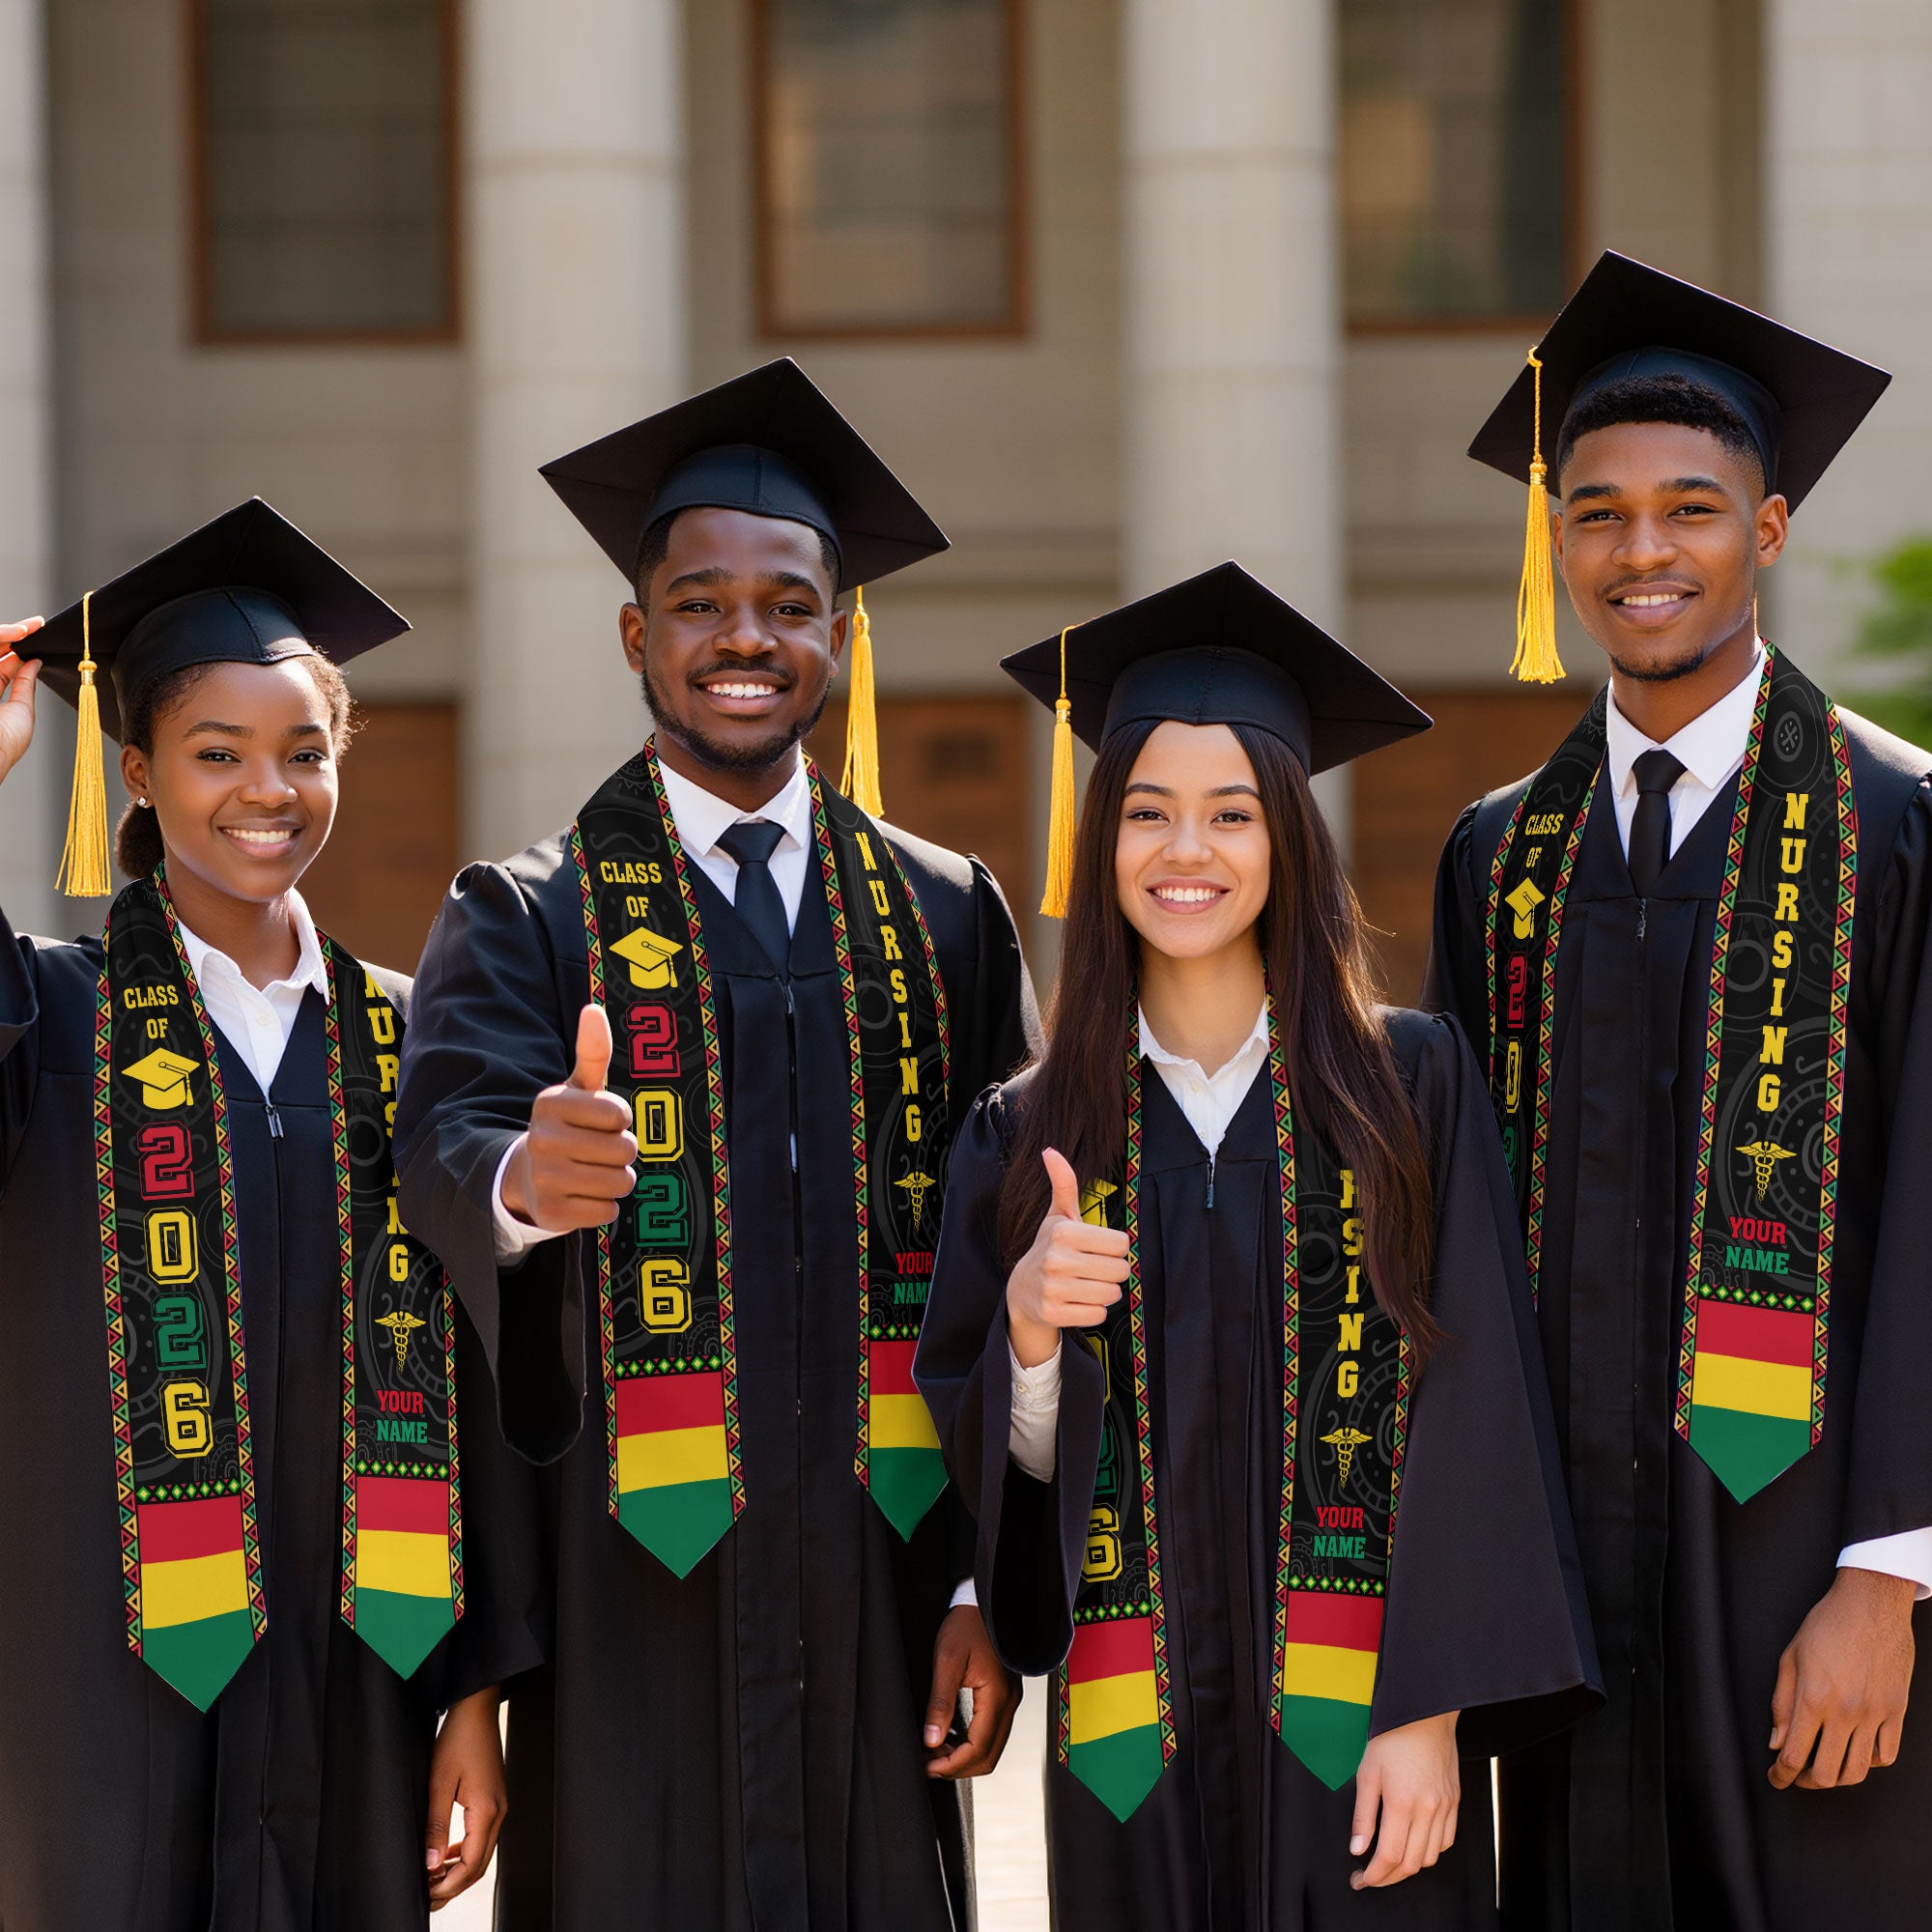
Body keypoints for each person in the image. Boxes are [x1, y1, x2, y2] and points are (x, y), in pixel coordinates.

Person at [393, 358, 1039, 1929]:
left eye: (788, 603)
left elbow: (1012, 1254)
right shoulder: (529, 914)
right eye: (698, 603)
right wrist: (523, 1184)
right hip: (630, 1601)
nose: (744, 638)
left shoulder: (945, 914)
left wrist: (980, 1588)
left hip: (885, 1595)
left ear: (841, 633)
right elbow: (440, 1155)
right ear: (638, 633)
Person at [916, 562, 1599, 1929]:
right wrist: (1033, 1340)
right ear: (1100, 841)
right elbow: (999, 1479)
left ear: (1288, 838)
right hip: (1130, 1749)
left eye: (1231, 814)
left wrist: (1430, 1707)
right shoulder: (1029, 1130)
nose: (1188, 853)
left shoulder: (1412, 1090)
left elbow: (1478, 1408)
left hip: (1366, 1740)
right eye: (1149, 813)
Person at [1426, 251, 1932, 1932]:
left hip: (1808, 1561)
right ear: (1554, 539)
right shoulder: (1502, 854)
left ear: (1768, 531)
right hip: (1569, 1573)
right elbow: (1456, 1235)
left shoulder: (1896, 823)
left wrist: (1891, 1571)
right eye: (1598, 511)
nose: (1643, 551)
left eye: (1692, 508)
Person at [0, 498, 545, 1931]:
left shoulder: (415, 1043)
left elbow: (484, 1380)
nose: (268, 790)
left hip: (357, 1665)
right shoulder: (49, 1018)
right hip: (92, 1676)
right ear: (134, 771)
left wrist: (476, 1699)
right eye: (216, 754)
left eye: (305, 753)